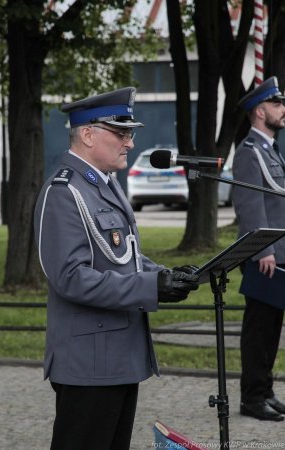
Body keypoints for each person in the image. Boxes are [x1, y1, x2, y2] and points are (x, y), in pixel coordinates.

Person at [33, 87, 199, 450]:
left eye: (130, 133)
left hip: (117, 355)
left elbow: (123, 256)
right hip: (90, 363)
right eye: (120, 132)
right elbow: (71, 279)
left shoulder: (104, 186)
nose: (129, 142)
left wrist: (164, 274)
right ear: (88, 134)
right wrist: (151, 287)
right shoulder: (64, 192)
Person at [233, 76, 285, 421]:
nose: (283, 110)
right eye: (278, 104)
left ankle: (264, 390)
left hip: (278, 256)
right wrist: (262, 249)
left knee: (271, 330)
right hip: (265, 256)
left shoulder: (271, 150)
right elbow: (250, 203)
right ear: (260, 110)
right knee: (259, 331)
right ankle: (251, 397)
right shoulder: (250, 152)